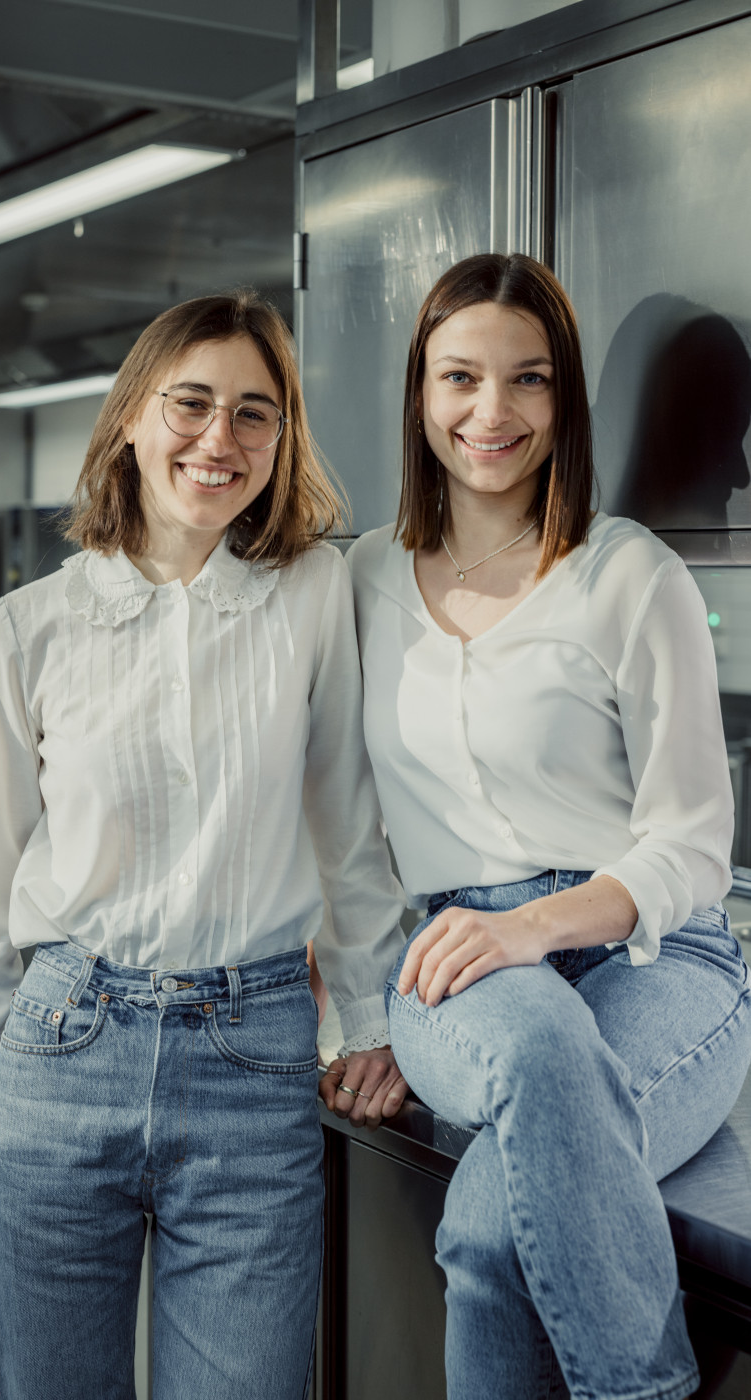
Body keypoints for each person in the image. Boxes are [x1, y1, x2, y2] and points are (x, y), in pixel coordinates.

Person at [0, 290, 409, 1400]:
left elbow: (348, 823)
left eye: (254, 413)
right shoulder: (29, 627)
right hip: (60, 1044)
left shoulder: (314, 592)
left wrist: (371, 1016)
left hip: (256, 1061)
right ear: (131, 416)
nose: (219, 438)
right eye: (190, 403)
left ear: (281, 441)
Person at [346, 252, 751, 1400]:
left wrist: (540, 925)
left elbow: (689, 840)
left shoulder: (631, 574)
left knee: (487, 1232)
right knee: (533, 1042)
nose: (491, 411)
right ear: (420, 394)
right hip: (457, 955)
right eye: (459, 377)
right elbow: (340, 819)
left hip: (661, 957)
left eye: (526, 380)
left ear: (561, 397)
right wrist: (356, 1015)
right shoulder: (363, 579)